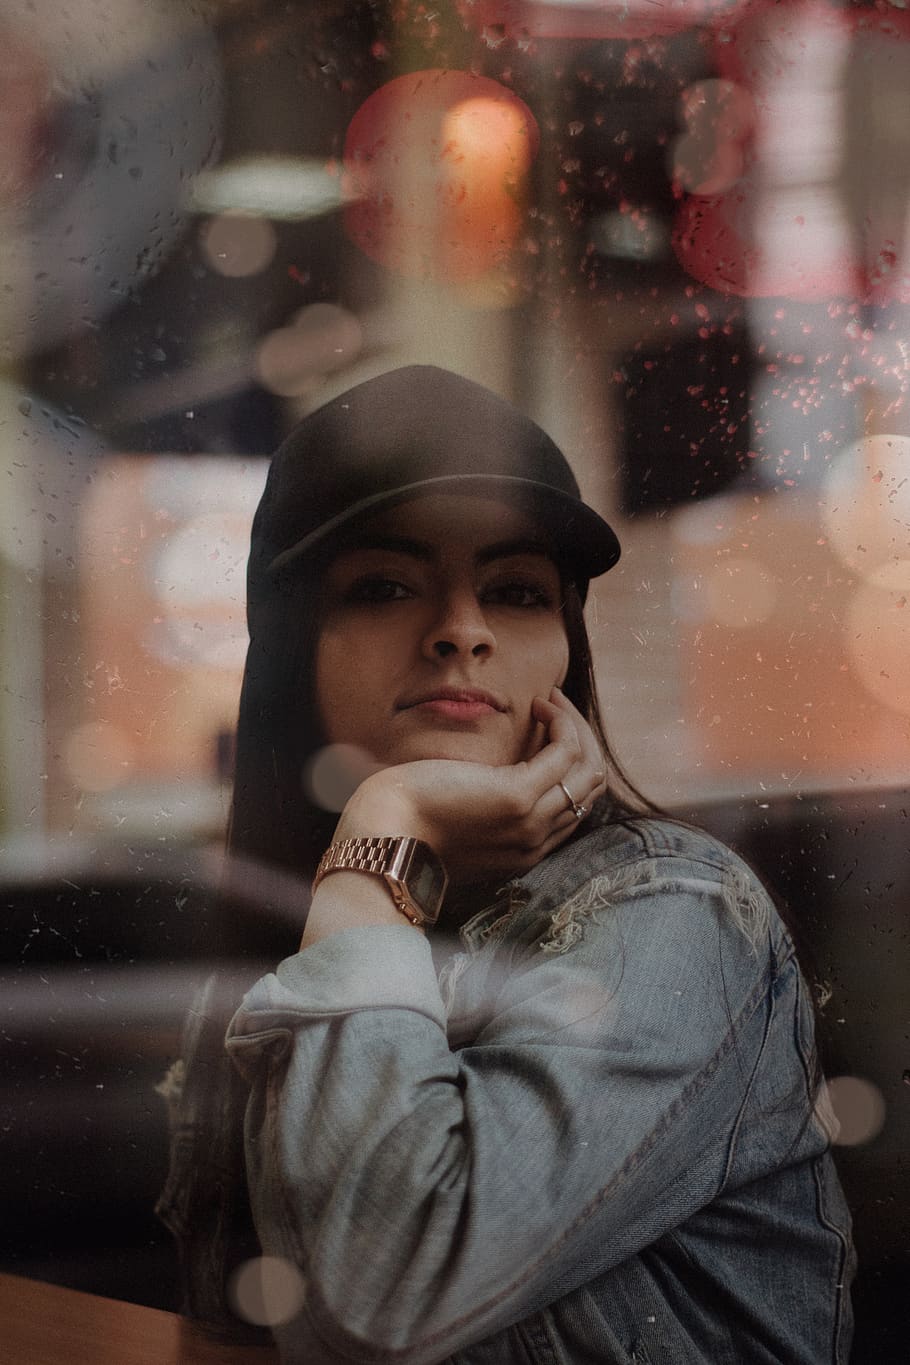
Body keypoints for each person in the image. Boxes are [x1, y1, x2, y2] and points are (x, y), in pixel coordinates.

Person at [159, 365, 855, 1364]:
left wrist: (384, 824)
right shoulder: (287, 946)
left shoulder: (675, 913)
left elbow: (387, 1298)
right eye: (387, 586)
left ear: (568, 649)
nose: (463, 629)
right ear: (289, 644)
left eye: (515, 591)